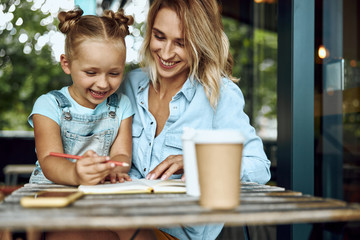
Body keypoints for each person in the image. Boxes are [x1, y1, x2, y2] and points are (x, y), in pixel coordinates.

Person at [119, 0, 271, 239]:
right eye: (159, 37)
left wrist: (199, 162)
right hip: (123, 219)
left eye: (181, 43)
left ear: (200, 42)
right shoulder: (128, 84)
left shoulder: (219, 94)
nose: (166, 53)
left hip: (178, 233)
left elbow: (260, 167)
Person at [28, 7, 134, 186]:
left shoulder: (122, 105)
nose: (103, 83)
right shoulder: (48, 105)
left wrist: (114, 171)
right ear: (66, 64)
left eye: (114, 73)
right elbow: (48, 159)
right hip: (51, 192)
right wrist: (76, 174)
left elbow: (122, 156)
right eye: (91, 73)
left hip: (98, 190)